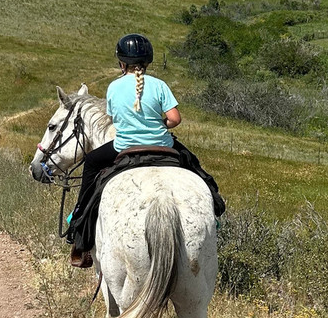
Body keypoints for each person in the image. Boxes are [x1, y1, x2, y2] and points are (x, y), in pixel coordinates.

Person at [68, 33, 223, 267]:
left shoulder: (114, 87)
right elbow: (175, 119)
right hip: (163, 145)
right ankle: (215, 209)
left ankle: (79, 219)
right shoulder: (160, 85)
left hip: (123, 146)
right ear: (148, 62)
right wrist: (159, 124)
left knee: (91, 163)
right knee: (193, 164)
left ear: (122, 63)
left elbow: (114, 119)